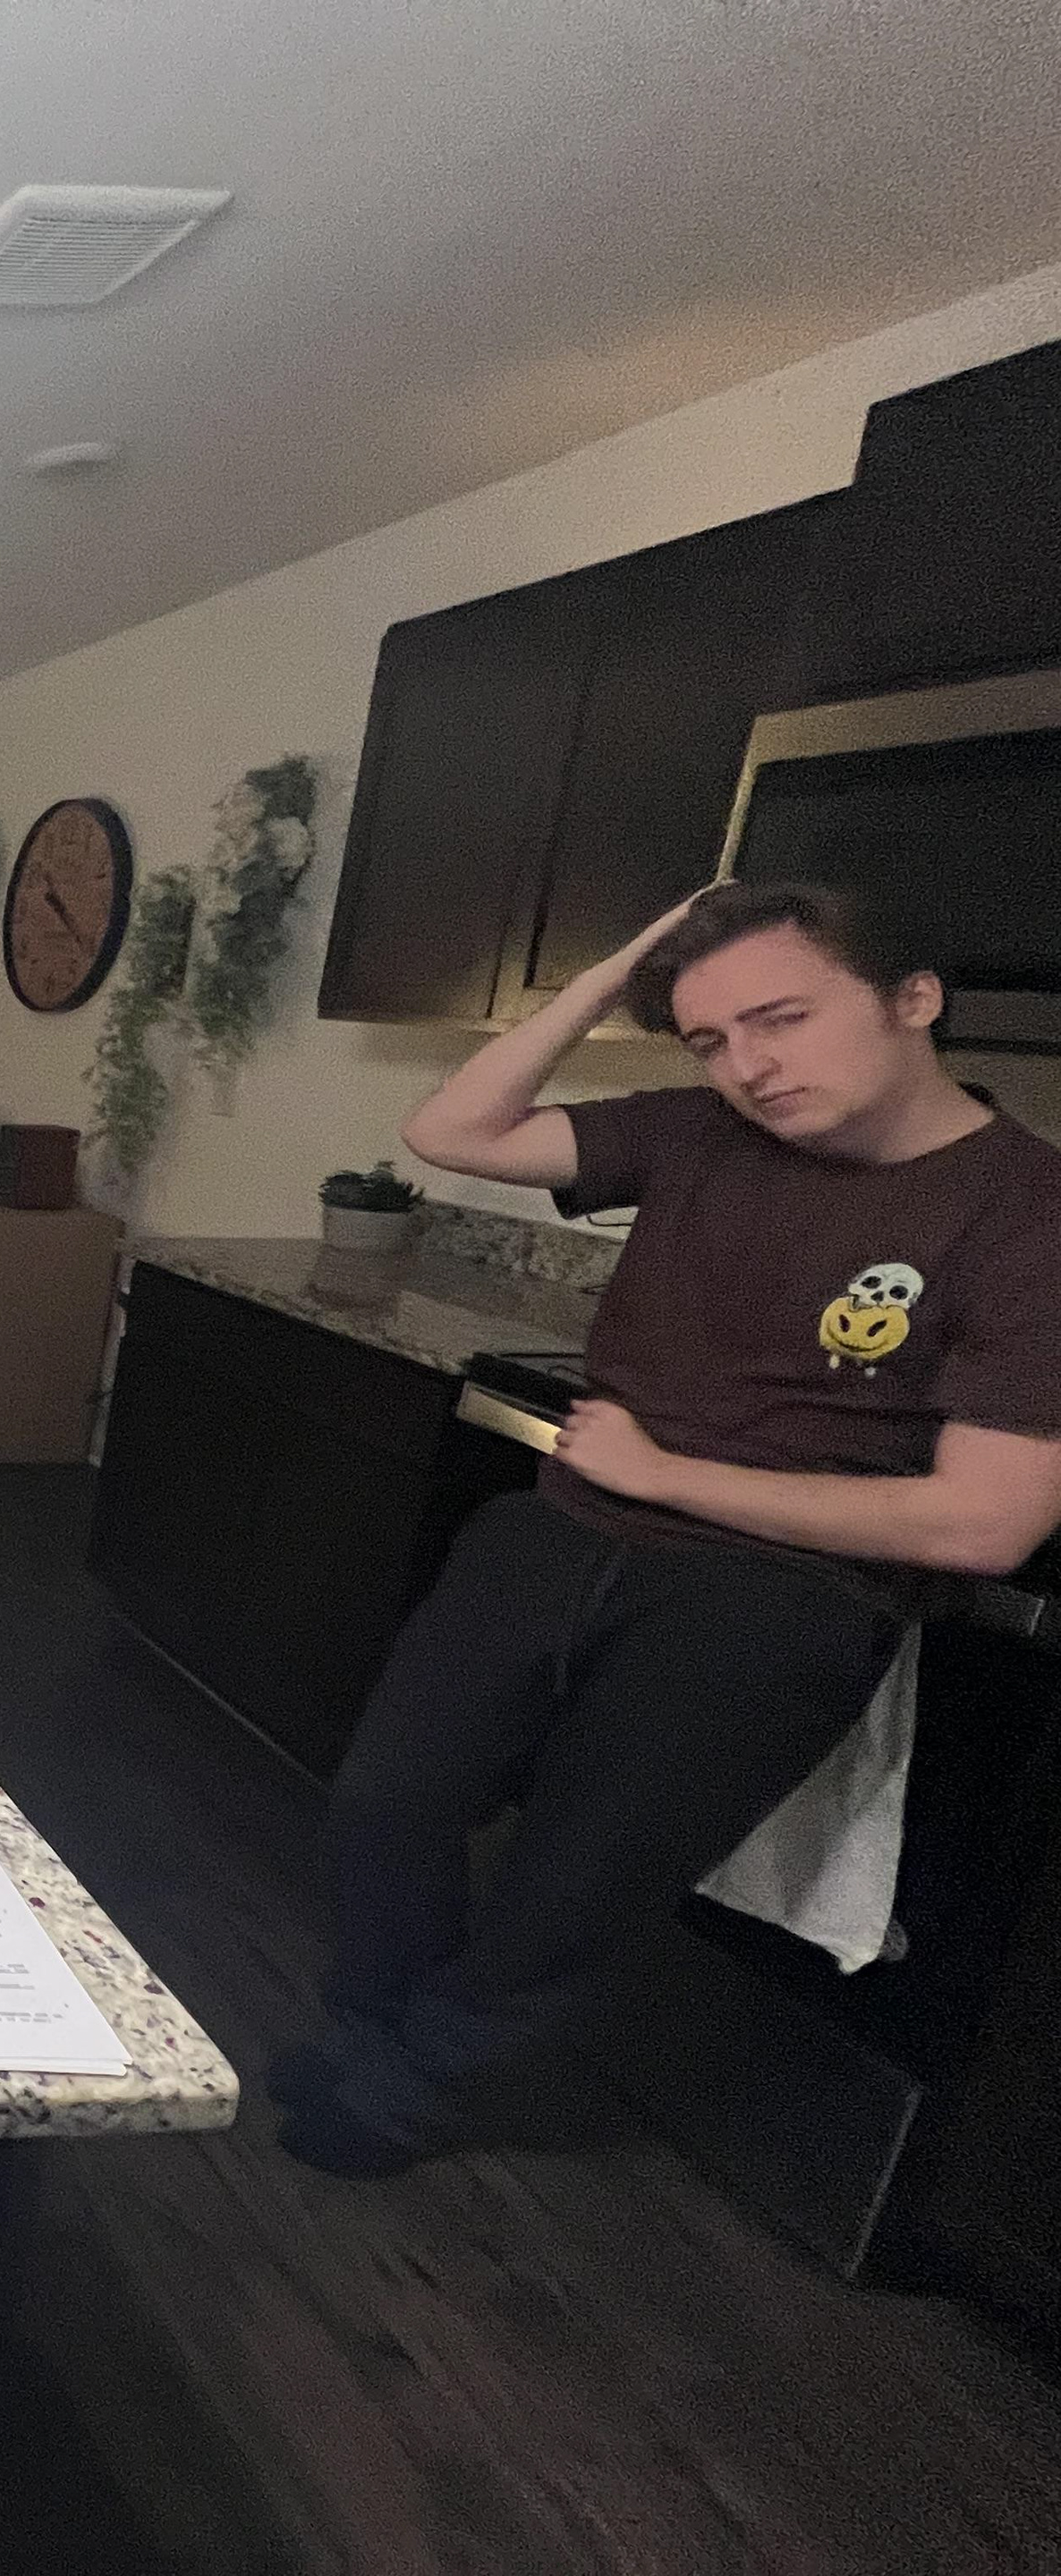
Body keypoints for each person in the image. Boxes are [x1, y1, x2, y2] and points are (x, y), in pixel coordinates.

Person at [273, 878, 1061, 2178]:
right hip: (560, 1531)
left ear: (914, 999)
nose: (749, 1066)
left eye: (782, 1017)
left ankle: (413, 2090)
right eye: (710, 1039)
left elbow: (985, 1523)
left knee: (572, 1887)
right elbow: (451, 1128)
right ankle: (373, 2033)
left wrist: (668, 1475)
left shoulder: (1027, 1211)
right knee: (384, 1805)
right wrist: (631, 957)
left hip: (777, 1599)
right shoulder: (697, 1131)